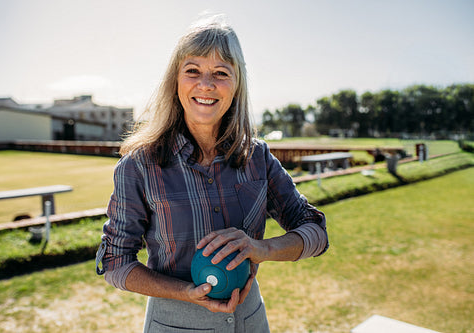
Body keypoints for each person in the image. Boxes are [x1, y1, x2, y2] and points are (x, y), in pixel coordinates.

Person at [95, 15, 328, 332]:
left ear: (236, 85)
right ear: (175, 81)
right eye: (193, 71)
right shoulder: (139, 166)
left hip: (251, 322)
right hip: (174, 324)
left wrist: (263, 249)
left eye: (221, 73)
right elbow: (115, 264)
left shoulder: (256, 156)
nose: (206, 84)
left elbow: (316, 233)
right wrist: (186, 293)